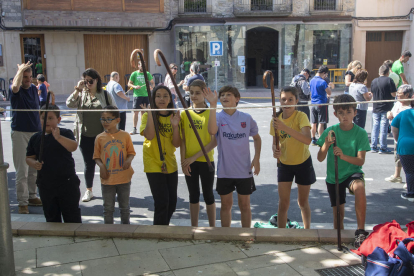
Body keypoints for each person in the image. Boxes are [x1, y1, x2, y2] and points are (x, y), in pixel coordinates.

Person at [317, 94, 371, 248]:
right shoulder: (330, 131)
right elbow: (320, 158)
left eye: (348, 112)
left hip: (352, 172)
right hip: (334, 177)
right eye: (341, 113)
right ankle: (339, 240)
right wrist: (326, 145)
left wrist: (343, 155)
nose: (345, 116)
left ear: (355, 112)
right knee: (338, 214)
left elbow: (360, 161)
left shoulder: (360, 133)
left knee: (359, 188)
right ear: (335, 114)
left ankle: (360, 231)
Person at [204, 86, 261, 228]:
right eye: (222, 95)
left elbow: (257, 138)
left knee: (245, 205)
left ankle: (246, 235)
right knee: (225, 205)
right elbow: (212, 131)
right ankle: (226, 235)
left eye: (228, 94)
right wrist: (212, 106)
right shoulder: (217, 116)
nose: (224, 97)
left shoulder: (246, 118)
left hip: (244, 170)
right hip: (225, 171)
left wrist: (256, 158)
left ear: (237, 99)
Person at [66, 68, 116, 202]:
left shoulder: (105, 95)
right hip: (85, 135)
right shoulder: (81, 94)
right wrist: (77, 89)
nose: (88, 83)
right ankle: (89, 190)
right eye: (86, 81)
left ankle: (108, 190)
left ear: (97, 80)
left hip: (102, 136)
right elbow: (69, 103)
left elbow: (115, 111)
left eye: (90, 81)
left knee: (105, 163)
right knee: (89, 164)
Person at [26, 105, 82, 223]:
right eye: (43, 117)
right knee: (51, 218)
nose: (46, 121)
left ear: (58, 120)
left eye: (50, 118)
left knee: (72, 217)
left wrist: (58, 137)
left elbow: (73, 147)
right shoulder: (35, 138)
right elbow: (29, 157)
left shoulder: (65, 133)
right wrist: (34, 163)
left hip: (67, 183)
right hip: (46, 185)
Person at [270, 86, 316, 229]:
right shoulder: (275, 120)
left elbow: (307, 140)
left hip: (303, 163)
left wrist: (285, 128)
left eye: (290, 99)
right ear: (279, 101)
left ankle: (307, 231)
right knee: (283, 202)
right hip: (284, 164)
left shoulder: (301, 116)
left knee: (302, 202)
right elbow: (274, 143)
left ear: (296, 101)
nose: (287, 102)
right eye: (283, 99)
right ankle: (281, 233)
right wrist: (275, 151)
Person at [140, 85, 181, 225]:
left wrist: (175, 126)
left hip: (170, 162)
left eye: (165, 96)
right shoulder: (147, 115)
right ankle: (159, 231)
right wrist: (151, 113)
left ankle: (163, 227)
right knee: (162, 201)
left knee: (172, 202)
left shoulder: (174, 116)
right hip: (152, 162)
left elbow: (176, 143)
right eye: (158, 96)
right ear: (153, 98)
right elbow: (150, 136)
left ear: (170, 98)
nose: (162, 99)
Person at [180, 80, 217, 227]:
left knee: (208, 195)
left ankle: (212, 227)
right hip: (189, 162)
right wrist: (183, 161)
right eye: (191, 93)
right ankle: (193, 227)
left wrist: (193, 157)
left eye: (197, 92)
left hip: (206, 161)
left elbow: (214, 142)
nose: (194, 96)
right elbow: (182, 140)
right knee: (193, 196)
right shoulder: (185, 113)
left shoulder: (211, 113)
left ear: (205, 92)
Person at [93, 106, 135, 224]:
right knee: (108, 209)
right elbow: (96, 157)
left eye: (108, 119)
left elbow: (131, 153)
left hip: (123, 179)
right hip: (107, 180)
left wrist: (128, 160)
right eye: (103, 119)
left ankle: (125, 231)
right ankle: (108, 231)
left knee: (125, 208)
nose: (105, 122)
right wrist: (101, 166)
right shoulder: (99, 138)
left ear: (117, 120)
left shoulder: (125, 135)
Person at [11, 61, 43, 214]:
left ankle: (32, 196)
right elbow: (15, 87)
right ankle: (22, 202)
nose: (28, 79)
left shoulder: (33, 89)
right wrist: (19, 71)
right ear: (19, 77)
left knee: (33, 169)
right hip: (20, 133)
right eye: (25, 76)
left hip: (35, 133)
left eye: (30, 76)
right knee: (21, 171)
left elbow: (37, 112)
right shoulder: (16, 91)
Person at [385, 85, 413, 184]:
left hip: (405, 136)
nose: (397, 96)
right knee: (397, 156)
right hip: (398, 137)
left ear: (407, 95)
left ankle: (409, 181)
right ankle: (397, 175)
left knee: (408, 160)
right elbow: (391, 113)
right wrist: (389, 113)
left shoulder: (410, 108)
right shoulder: (397, 104)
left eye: (400, 94)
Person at [391, 99, 414, 202]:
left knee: (409, 171)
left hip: (406, 145)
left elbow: (394, 128)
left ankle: (411, 192)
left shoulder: (404, 113)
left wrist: (397, 139)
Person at [370, 65, 397, 154]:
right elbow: (393, 94)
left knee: (375, 127)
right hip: (386, 107)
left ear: (379, 72)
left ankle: (373, 146)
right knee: (383, 128)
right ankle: (383, 147)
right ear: (387, 72)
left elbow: (372, 93)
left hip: (376, 107)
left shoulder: (374, 81)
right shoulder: (389, 80)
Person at [129, 60, 154, 135]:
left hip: (146, 95)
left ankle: (143, 128)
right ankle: (134, 128)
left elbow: (153, 83)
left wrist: (151, 87)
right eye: (141, 65)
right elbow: (129, 84)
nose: (143, 67)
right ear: (138, 65)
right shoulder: (134, 73)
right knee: (136, 112)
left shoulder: (147, 74)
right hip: (137, 96)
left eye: (144, 66)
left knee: (144, 112)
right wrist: (134, 86)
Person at [310, 65, 332, 145]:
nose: (325, 76)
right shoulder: (322, 82)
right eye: (325, 75)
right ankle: (321, 139)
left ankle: (313, 138)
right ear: (324, 73)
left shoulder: (311, 80)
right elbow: (329, 92)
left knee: (313, 122)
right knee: (321, 123)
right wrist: (329, 87)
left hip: (313, 103)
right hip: (321, 103)